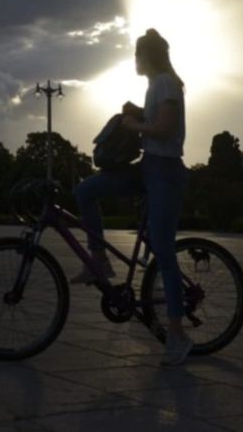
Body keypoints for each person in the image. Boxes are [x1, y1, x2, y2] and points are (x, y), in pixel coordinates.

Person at [73, 28, 191, 365]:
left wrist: (134, 126)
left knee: (164, 253)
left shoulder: (165, 83)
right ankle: (99, 259)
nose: (134, 60)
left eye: (136, 54)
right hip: (149, 168)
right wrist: (138, 115)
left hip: (165, 172)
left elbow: (166, 128)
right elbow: (158, 122)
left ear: (147, 56)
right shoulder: (156, 84)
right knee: (85, 190)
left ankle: (177, 335)